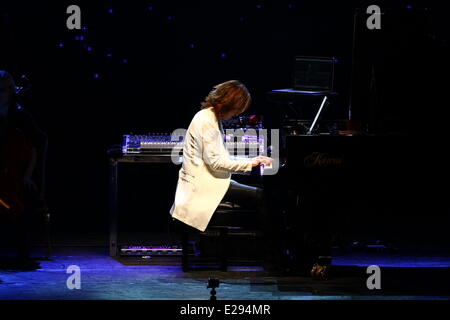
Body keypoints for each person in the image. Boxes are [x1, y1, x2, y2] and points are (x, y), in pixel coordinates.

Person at [169, 80, 280, 273]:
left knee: (261, 194)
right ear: (229, 104)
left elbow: (221, 158)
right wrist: (252, 163)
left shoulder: (208, 117)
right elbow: (217, 163)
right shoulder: (207, 121)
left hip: (210, 181)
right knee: (262, 196)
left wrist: (253, 159)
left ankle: (271, 254)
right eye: (237, 109)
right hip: (205, 186)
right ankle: (272, 259)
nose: (238, 114)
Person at [0, 70, 46, 265]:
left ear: (10, 91)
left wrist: (27, 175)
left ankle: (23, 253)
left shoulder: (20, 113)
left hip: (17, 173)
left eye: (3, 89)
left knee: (18, 202)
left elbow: (34, 147)